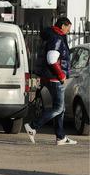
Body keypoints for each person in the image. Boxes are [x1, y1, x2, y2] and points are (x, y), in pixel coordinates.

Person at [24, 17, 77, 145]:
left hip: (47, 76)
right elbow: (51, 59)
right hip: (54, 78)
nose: (70, 29)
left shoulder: (51, 35)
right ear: (63, 26)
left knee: (60, 108)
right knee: (59, 108)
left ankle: (60, 137)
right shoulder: (56, 38)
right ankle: (33, 126)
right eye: (69, 26)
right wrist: (61, 75)